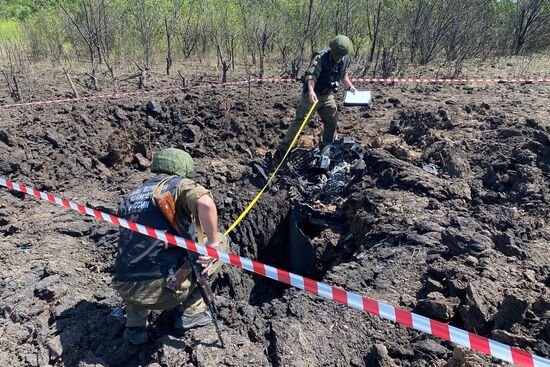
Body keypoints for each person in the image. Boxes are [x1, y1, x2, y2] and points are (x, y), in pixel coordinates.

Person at [112, 147, 228, 345]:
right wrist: (212, 245)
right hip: (164, 291)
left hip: (126, 290)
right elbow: (206, 203)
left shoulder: (131, 197)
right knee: (221, 240)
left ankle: (135, 328)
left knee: (138, 257)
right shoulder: (178, 185)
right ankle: (192, 313)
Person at [274, 35, 357, 162]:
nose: (338, 57)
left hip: (327, 94)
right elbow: (311, 76)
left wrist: (351, 87)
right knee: (301, 121)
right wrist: (311, 91)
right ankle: (283, 150)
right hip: (313, 94)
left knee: (332, 119)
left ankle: (327, 148)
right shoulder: (320, 58)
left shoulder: (345, 59)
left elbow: (343, 75)